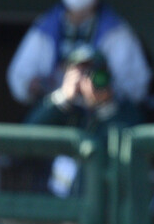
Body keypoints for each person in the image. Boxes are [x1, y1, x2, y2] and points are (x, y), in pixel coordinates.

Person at [7, 0, 152, 111]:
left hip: (102, 114)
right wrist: (52, 89)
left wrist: (104, 91)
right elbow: (19, 79)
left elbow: (137, 86)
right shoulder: (44, 27)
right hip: (57, 109)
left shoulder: (117, 31)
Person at [25, 44, 143, 196]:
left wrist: (104, 106)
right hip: (58, 203)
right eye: (81, 72)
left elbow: (127, 141)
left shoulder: (124, 110)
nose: (89, 79)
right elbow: (28, 138)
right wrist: (64, 99)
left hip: (103, 202)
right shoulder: (58, 109)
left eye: (94, 71)